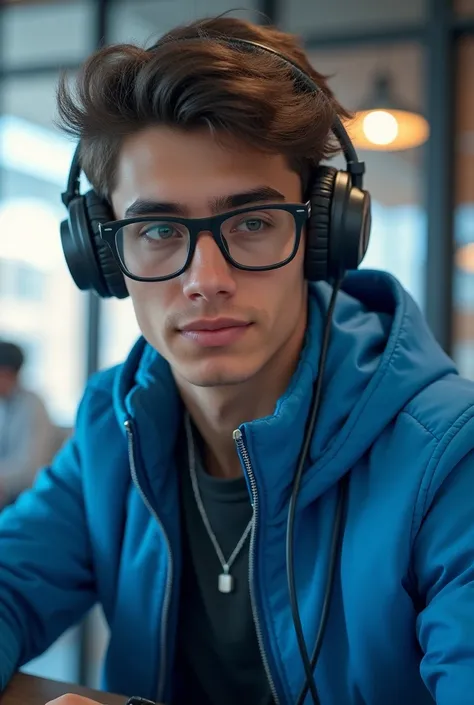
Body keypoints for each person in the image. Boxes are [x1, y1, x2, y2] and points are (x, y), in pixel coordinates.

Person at [0, 15, 473, 705]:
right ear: (103, 255)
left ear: (321, 232)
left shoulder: (450, 454)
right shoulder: (115, 424)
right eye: (157, 229)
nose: (207, 278)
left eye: (252, 222)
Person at [0, 341, 55, 508]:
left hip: (26, 495)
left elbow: (30, 466)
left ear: (7, 373)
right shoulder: (4, 403)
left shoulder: (33, 405)